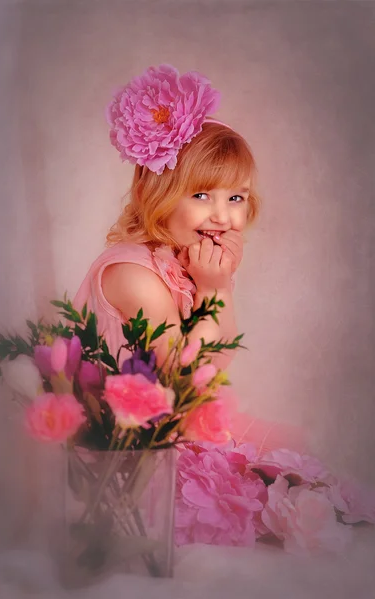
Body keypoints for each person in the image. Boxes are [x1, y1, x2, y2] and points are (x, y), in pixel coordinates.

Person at [74, 64, 308, 455]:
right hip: (133, 455)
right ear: (158, 196)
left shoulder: (185, 265)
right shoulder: (135, 275)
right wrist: (213, 289)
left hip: (176, 430)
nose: (222, 216)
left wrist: (217, 288)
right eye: (201, 196)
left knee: (297, 456)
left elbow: (219, 357)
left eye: (236, 197)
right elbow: (187, 378)